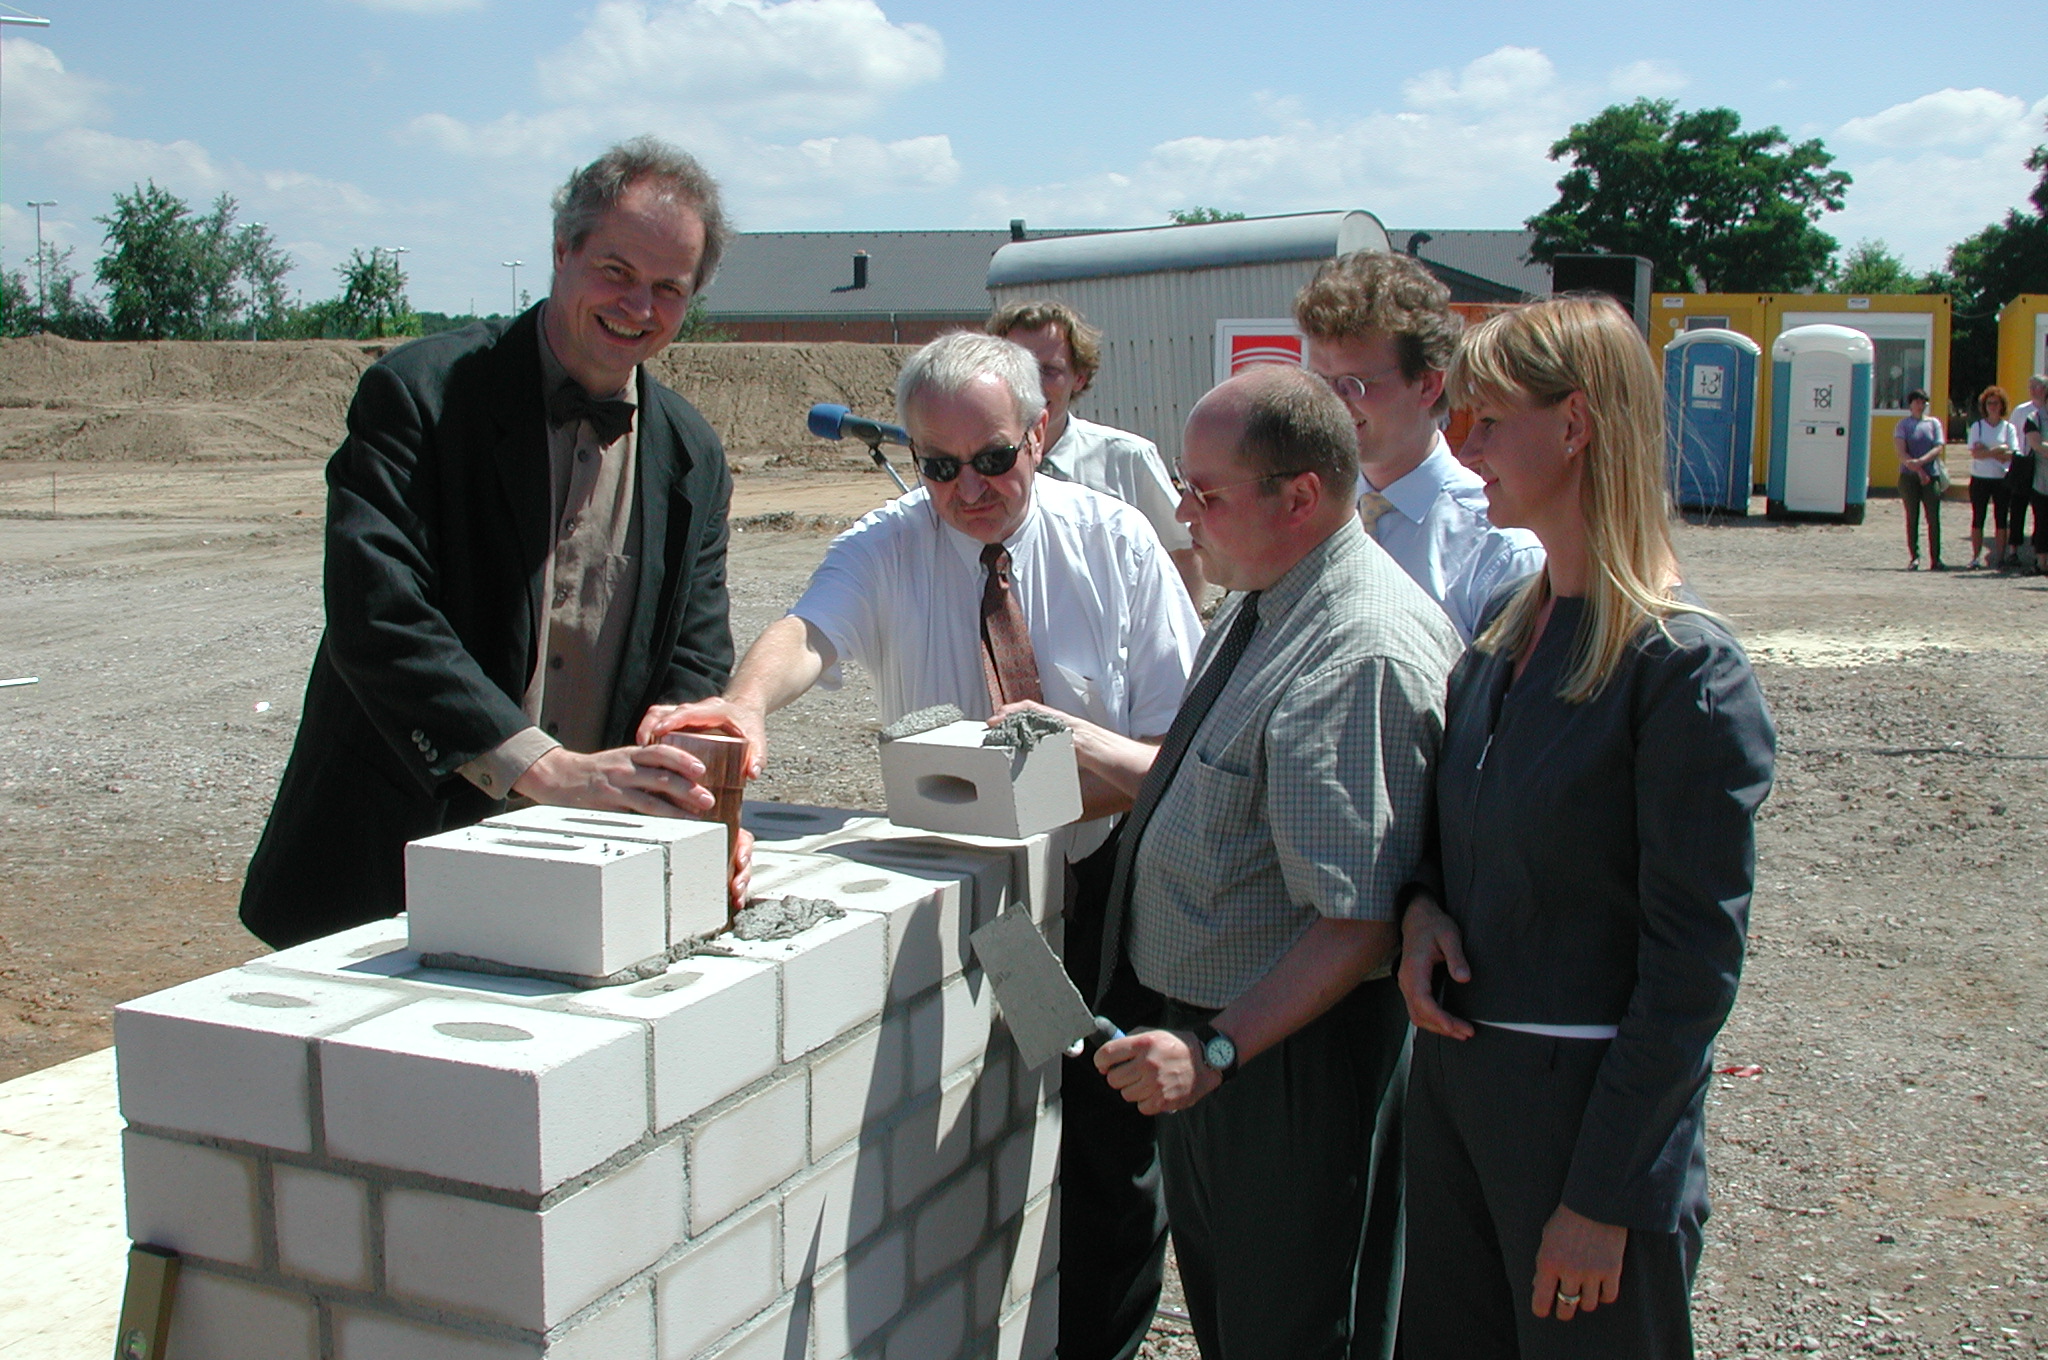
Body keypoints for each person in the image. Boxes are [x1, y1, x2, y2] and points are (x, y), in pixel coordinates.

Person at [642, 330, 1202, 1360]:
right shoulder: (888, 541)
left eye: (990, 460)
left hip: (1105, 881)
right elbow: (809, 631)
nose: (965, 491)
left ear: (1039, 430)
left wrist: (1077, 759)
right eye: (937, 466)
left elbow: (1182, 747)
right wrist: (742, 703)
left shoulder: (1116, 544)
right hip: (968, 894)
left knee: (1112, 1157)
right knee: (976, 1127)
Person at [240, 138, 741, 949]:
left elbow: (693, 662)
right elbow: (379, 614)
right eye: (615, 271)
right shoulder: (421, 396)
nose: (637, 306)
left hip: (581, 876)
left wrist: (691, 805)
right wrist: (542, 769)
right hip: (387, 865)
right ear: (561, 250)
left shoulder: (694, 456)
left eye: (668, 289)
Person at [1396, 295, 1777, 1360]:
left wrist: (1605, 1194)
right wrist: (1422, 909)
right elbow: (1451, 831)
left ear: (1573, 426)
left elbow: (1692, 968)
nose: (1459, 446)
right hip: (1459, 1105)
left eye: (1486, 420)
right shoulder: (1500, 641)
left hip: (1579, 1127)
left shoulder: (1680, 670)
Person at [1066, 364, 1460, 1360]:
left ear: (1298, 497)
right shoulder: (1268, 598)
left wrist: (1217, 1049)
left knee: (1294, 1327)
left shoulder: (1352, 650)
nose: (1182, 512)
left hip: (1285, 1066)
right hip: (1225, 1056)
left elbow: (1356, 917)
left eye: (1204, 491)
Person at [1295, 250, 1543, 641]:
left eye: (1354, 384)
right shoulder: (1302, 520)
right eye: (1320, 382)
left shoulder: (1497, 551)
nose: (1332, 404)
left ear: (1428, 384)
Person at [987, 300, 1205, 600]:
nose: (1031, 385)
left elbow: (1181, 556)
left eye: (1049, 370)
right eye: (1017, 369)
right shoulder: (970, 468)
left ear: (1080, 377)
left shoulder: (1128, 460)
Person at [1894, 388, 1948, 571]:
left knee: (1933, 517)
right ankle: (1914, 556)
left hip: (1931, 475)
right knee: (1912, 516)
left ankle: (1936, 558)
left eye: (1923, 401)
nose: (1920, 405)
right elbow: (1901, 452)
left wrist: (1923, 463)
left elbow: (1938, 447)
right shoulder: (1903, 425)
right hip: (1909, 476)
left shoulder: (1934, 423)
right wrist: (1918, 470)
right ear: (1910, 404)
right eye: (1917, 401)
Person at [1966, 385, 2017, 569]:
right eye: (1989, 403)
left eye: (1996, 403)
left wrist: (1987, 451)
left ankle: (2000, 557)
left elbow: (2011, 453)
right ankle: (1975, 557)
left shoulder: (2008, 428)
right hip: (1980, 477)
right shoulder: (1977, 427)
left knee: (2001, 518)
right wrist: (1998, 451)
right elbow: (1975, 453)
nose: (1992, 407)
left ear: (2002, 405)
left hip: (2001, 479)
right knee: (1978, 517)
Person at [2010, 374, 2047, 565]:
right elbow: (2013, 434)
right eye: (2030, 386)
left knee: (2041, 511)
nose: (2032, 390)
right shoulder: (2022, 411)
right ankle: (2013, 549)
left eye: (2037, 386)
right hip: (2024, 463)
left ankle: (2038, 551)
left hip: (2042, 467)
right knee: (2017, 508)